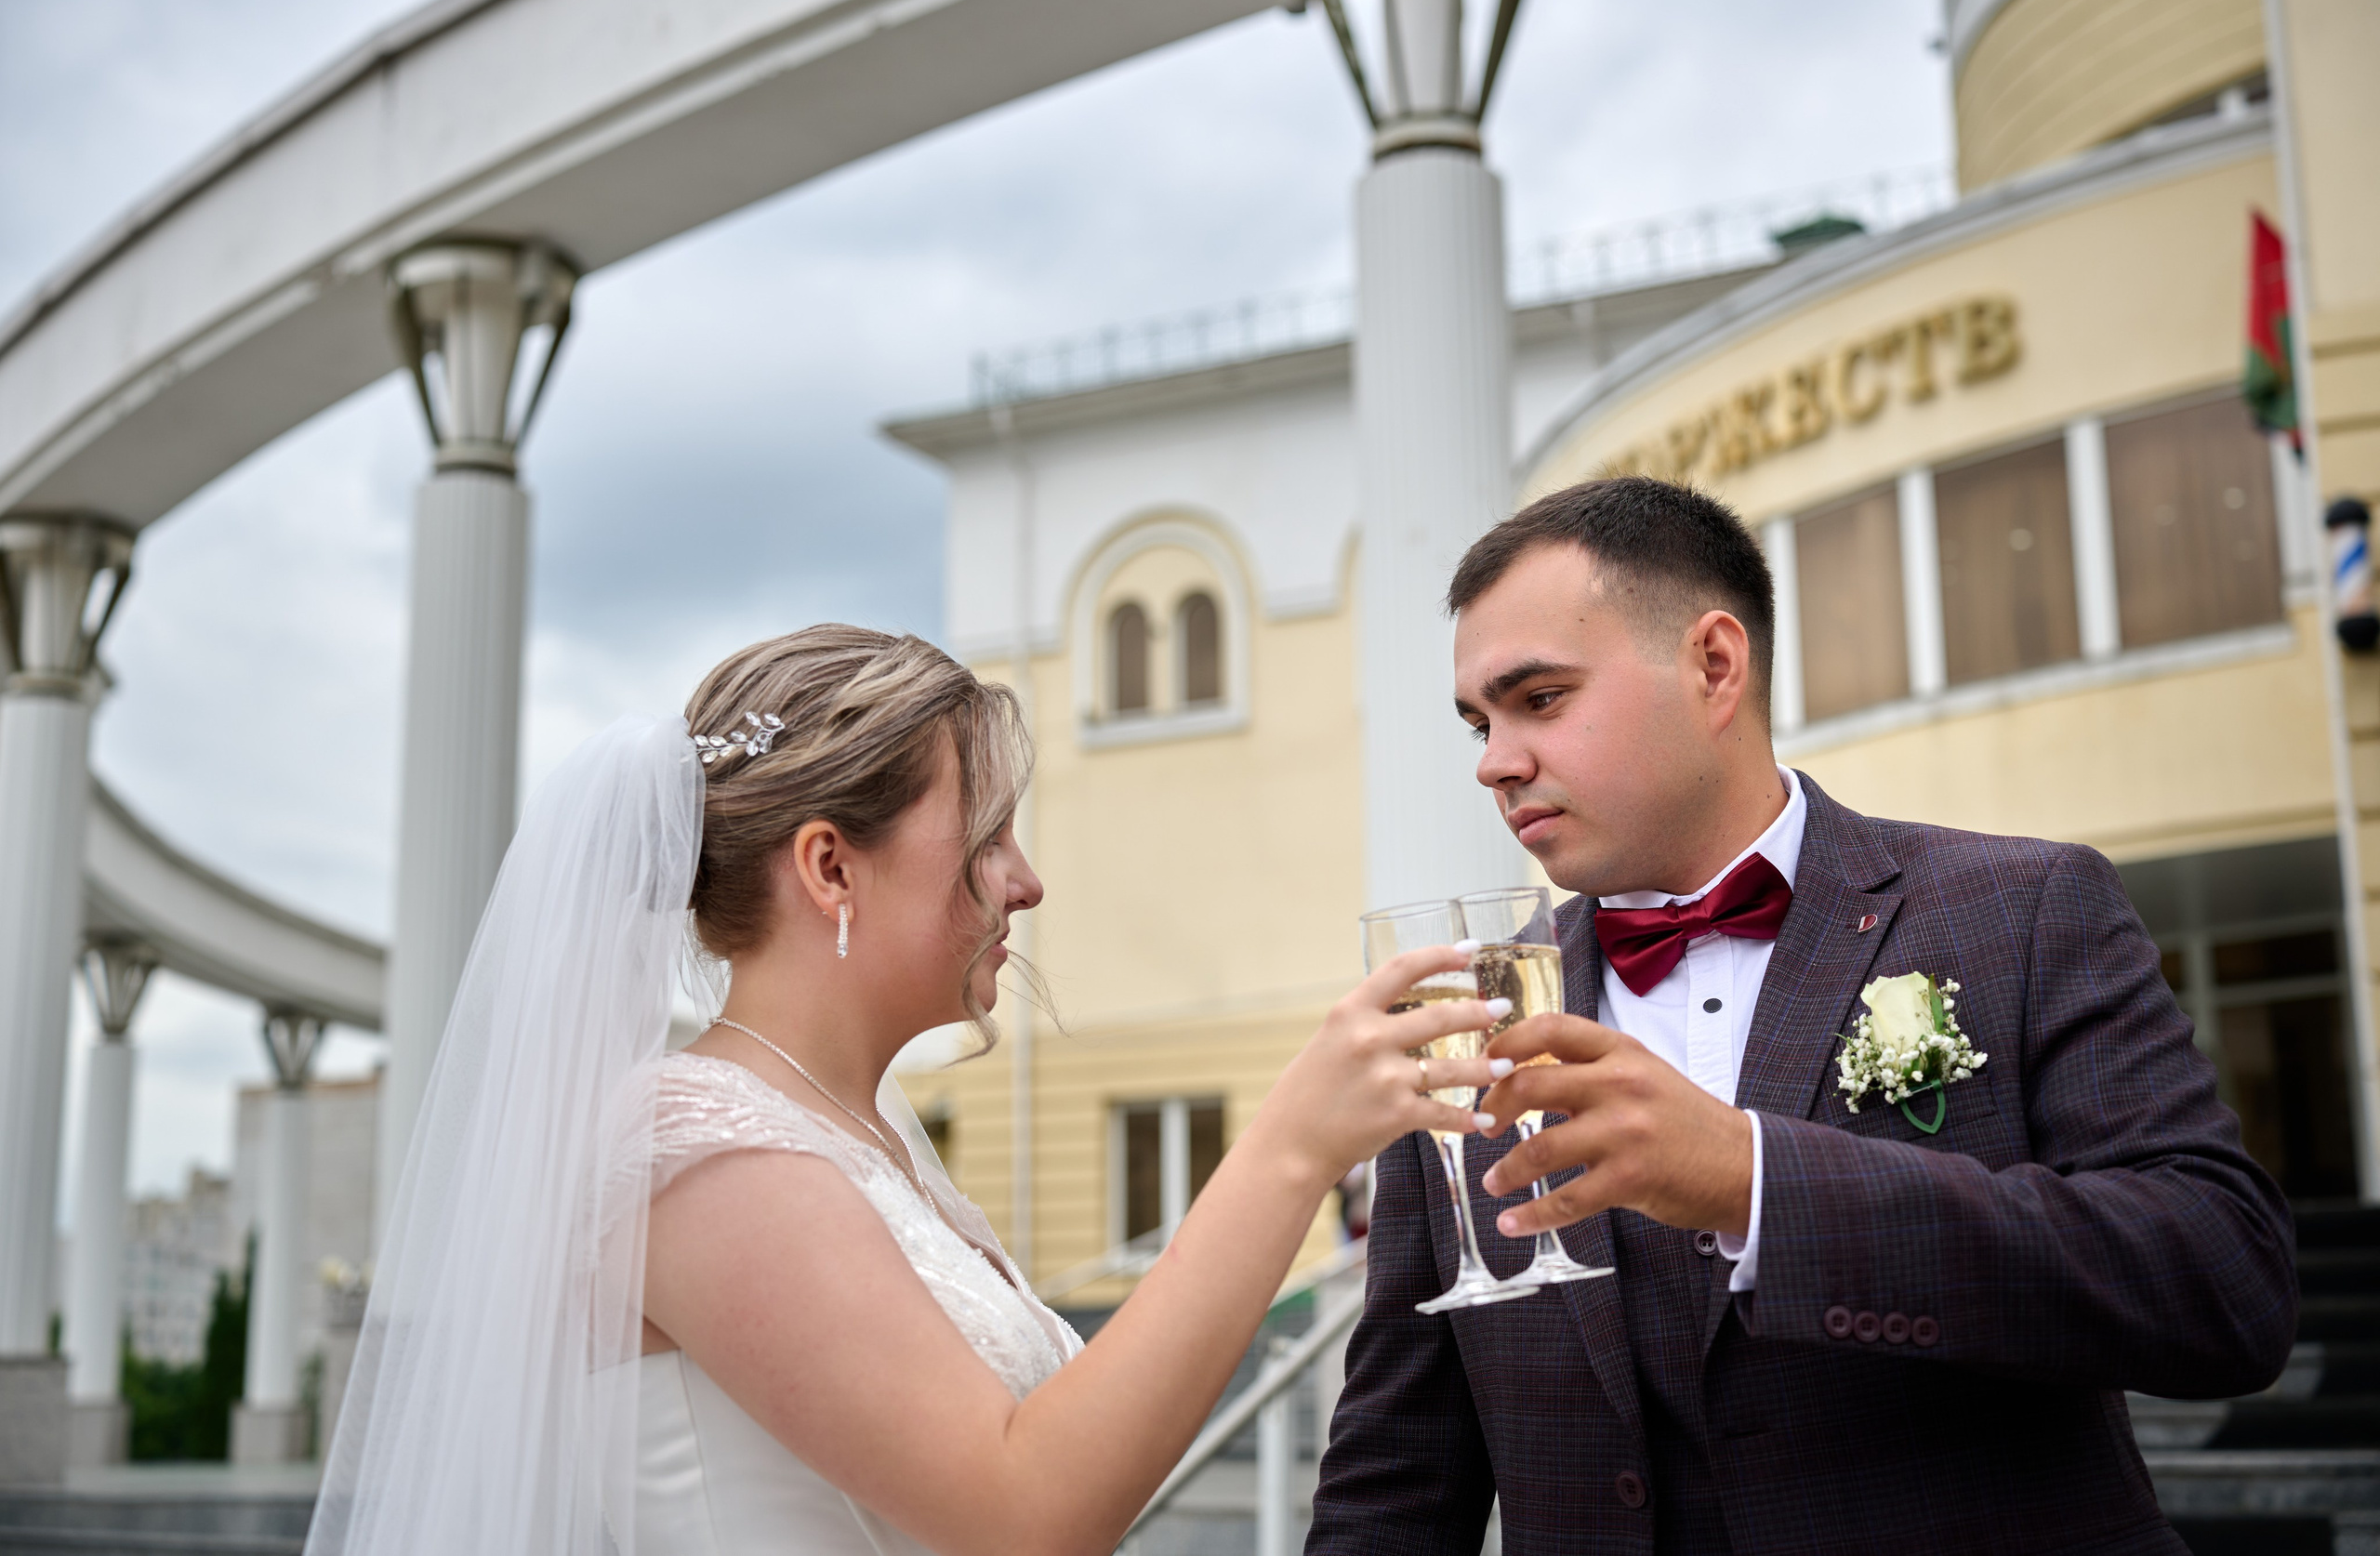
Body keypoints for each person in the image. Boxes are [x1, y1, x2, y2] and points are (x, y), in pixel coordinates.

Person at [307, 625, 1505, 1556]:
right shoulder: (693, 1154)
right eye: (988, 837)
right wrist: (1287, 1152)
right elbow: (1025, 1514)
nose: (1025, 884)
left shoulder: (862, 1138)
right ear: (831, 867)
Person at [1305, 476, 2300, 1555]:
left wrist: (1757, 1180)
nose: (1496, 762)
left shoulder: (2021, 911)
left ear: (1713, 665)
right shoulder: (1471, 1019)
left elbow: (2222, 1285)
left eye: (1538, 699)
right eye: (1477, 723)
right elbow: (1396, 1478)